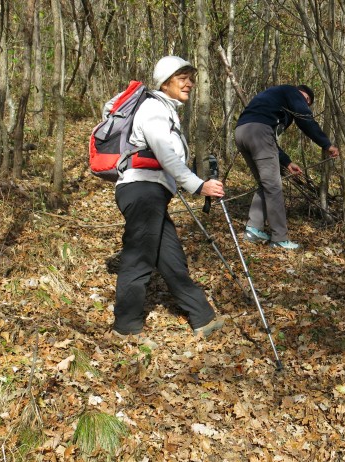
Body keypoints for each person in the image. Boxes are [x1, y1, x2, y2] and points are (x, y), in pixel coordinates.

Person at [110, 56, 226, 343]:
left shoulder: (165, 110)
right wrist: (197, 185)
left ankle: (202, 316)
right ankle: (126, 328)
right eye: (181, 77)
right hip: (142, 190)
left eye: (190, 77)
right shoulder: (153, 108)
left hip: (153, 193)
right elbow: (165, 154)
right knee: (138, 259)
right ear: (165, 82)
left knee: (172, 258)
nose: (189, 83)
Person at [234, 84, 340, 250]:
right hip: (258, 132)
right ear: (301, 94)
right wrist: (326, 144)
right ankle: (279, 238)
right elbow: (305, 119)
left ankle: (254, 229)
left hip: (241, 132)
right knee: (274, 186)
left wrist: (287, 162)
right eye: (306, 100)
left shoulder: (274, 101)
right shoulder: (292, 92)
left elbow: (270, 139)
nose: (305, 104)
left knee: (265, 183)